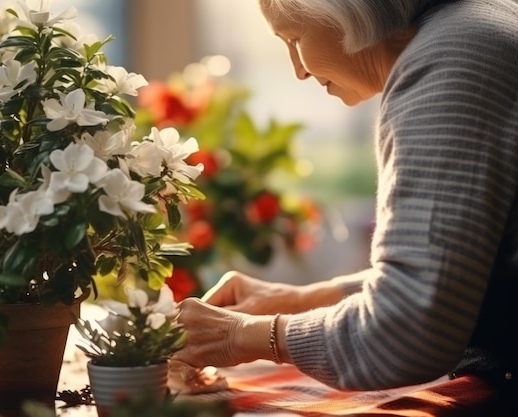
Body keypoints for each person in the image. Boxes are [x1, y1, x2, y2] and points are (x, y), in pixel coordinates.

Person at [173, 0, 518, 413]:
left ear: (346, 10)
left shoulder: (450, 62)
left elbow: (406, 330)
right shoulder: (483, 22)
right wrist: (299, 299)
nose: (297, 70)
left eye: (294, 38)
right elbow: (458, 280)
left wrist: (242, 336)